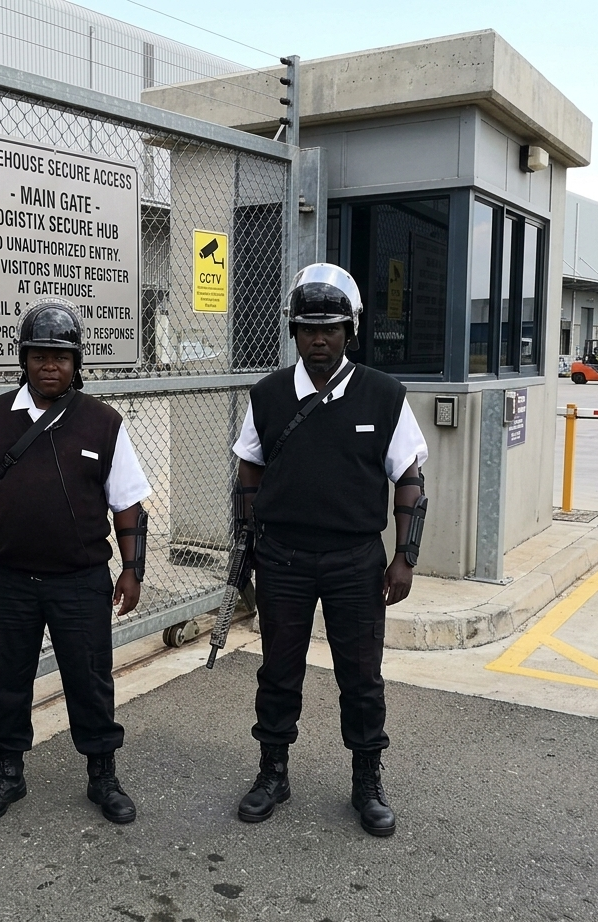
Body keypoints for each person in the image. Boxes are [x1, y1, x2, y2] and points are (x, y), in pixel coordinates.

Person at [230, 263, 428, 837]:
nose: (320, 339)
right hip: (284, 559)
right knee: (278, 673)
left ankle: (367, 780)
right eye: (309, 328)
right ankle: (273, 772)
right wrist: (246, 550)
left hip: (355, 562)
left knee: (362, 677)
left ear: (351, 331)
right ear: (293, 332)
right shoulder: (267, 396)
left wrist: (405, 557)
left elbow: (409, 479)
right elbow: (248, 472)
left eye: (333, 328)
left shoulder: (385, 395)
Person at [0, 299, 151, 825]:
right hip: (10, 579)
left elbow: (127, 503)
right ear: (24, 358)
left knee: (90, 679)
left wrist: (131, 569)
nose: (50, 366)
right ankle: (7, 773)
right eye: (39, 355)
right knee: (7, 679)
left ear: (77, 361)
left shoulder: (103, 424)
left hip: (80, 581)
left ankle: (102, 774)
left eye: (61, 356)